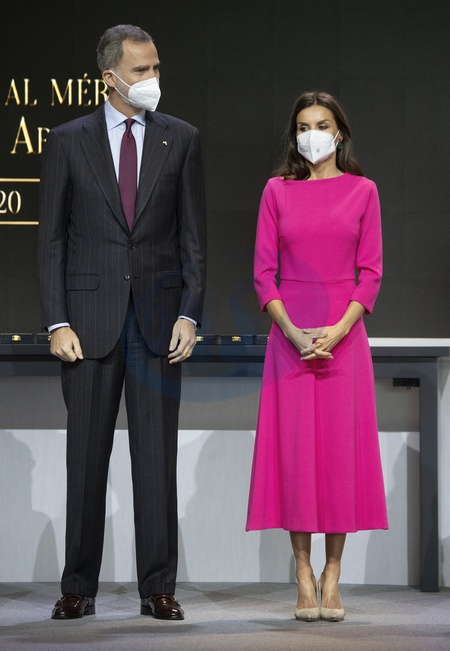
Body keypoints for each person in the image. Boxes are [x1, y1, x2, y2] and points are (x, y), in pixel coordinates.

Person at [37, 24, 206, 621]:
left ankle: (158, 588)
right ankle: (77, 587)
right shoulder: (68, 140)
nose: (153, 79)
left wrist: (190, 311)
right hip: (87, 325)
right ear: (110, 77)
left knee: (156, 462)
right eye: (141, 70)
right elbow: (51, 241)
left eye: (156, 67)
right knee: (85, 461)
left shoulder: (181, 138)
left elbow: (193, 239)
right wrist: (56, 321)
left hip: (159, 323)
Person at [246, 91, 388, 622]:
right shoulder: (276, 191)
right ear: (294, 135)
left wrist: (338, 329)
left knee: (338, 458)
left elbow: (370, 272)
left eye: (322, 125)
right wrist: (291, 331)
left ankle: (333, 573)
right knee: (296, 457)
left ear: (339, 132)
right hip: (290, 341)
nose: (312, 135)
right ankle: (303, 573)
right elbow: (263, 274)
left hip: (344, 340)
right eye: (303, 126)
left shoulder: (363, 191)